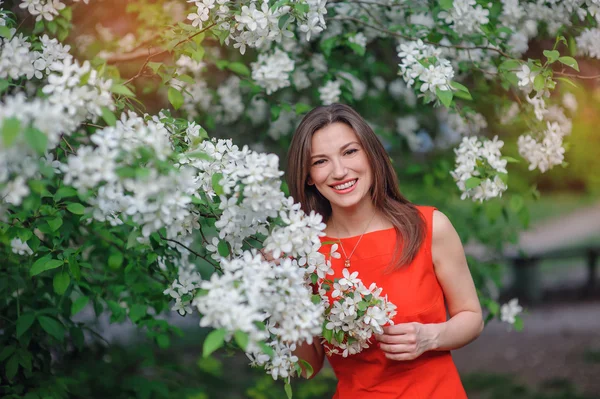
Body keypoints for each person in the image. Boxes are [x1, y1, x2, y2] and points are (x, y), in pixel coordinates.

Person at [285, 103, 483, 398]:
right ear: (308, 176)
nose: (340, 171)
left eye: (350, 152)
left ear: (370, 154)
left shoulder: (428, 227)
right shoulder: (305, 253)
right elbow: (306, 367)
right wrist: (282, 291)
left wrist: (430, 337)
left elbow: (472, 316)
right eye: (320, 161)